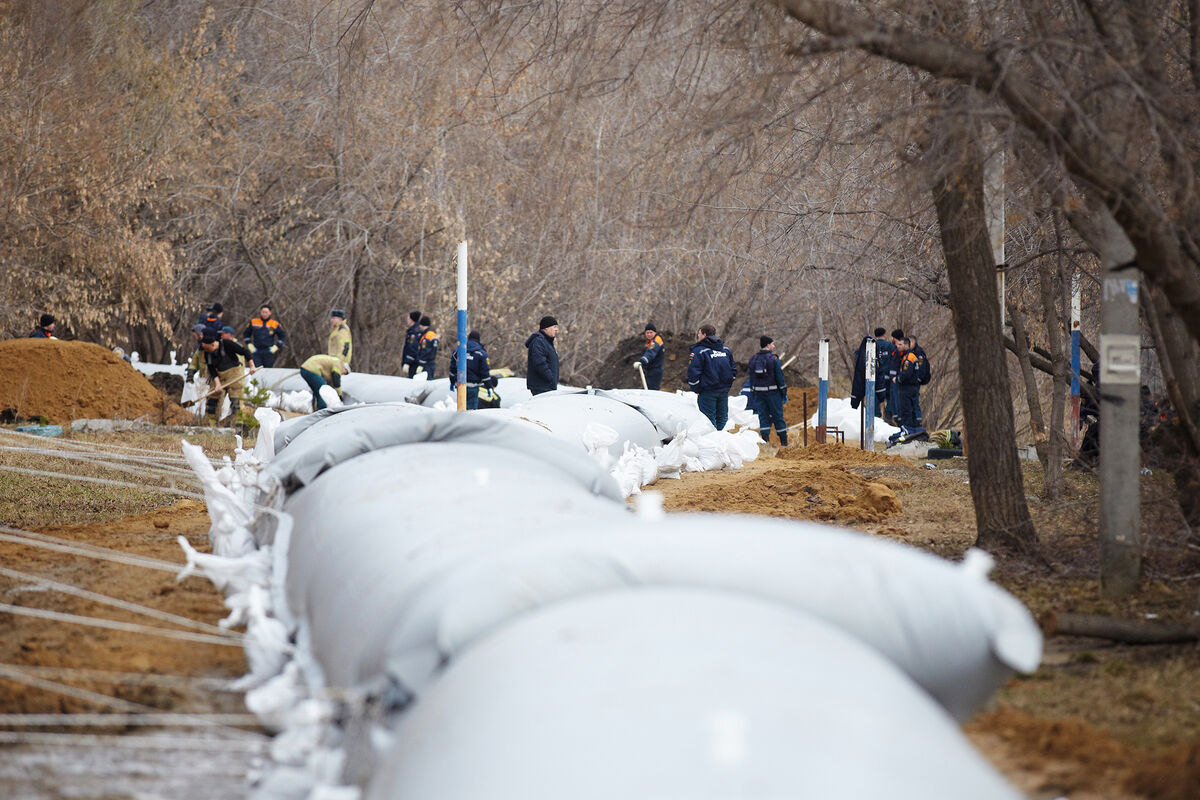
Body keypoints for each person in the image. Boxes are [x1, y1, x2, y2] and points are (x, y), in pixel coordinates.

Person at [687, 323, 736, 430]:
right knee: (722, 419)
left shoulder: (699, 351)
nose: (698, 336)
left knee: (708, 421)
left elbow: (693, 372)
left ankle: (713, 443)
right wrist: (727, 385)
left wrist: (697, 388)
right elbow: (733, 370)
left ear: (704, 334)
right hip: (723, 392)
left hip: (707, 392)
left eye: (699, 334)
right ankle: (721, 442)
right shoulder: (725, 350)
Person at [199, 330, 256, 420]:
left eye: (207, 348)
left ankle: (237, 423)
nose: (206, 351)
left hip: (234, 375)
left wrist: (252, 366)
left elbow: (245, 352)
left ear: (213, 345)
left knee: (236, 402)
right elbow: (212, 369)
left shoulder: (228, 344)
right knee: (212, 400)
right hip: (219, 376)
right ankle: (211, 423)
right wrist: (217, 384)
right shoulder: (207, 353)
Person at [747, 335, 788, 445]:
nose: (774, 346)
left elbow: (751, 378)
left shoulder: (753, 359)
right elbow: (780, 378)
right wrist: (784, 393)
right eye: (773, 344)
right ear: (768, 345)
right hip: (773, 394)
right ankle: (784, 443)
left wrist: (753, 392)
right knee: (778, 416)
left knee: (763, 416)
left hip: (759, 394)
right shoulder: (773, 359)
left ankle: (765, 442)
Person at [449, 330, 496, 410]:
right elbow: (484, 372)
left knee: (461, 409)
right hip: (473, 386)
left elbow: (453, 367)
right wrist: (489, 387)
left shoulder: (459, 350)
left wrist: (452, 381)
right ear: (478, 340)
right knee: (471, 411)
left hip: (460, 385)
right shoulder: (481, 353)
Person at [243, 304, 287, 368]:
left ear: (270, 313)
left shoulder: (274, 323)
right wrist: (249, 344)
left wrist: (277, 346)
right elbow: (246, 334)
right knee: (257, 370)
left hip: (269, 351)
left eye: (266, 312)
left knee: (268, 370)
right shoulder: (254, 322)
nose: (264, 314)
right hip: (256, 350)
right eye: (263, 312)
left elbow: (282, 336)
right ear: (260, 312)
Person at [525, 315, 560, 395]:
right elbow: (539, 363)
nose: (556, 329)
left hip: (547, 386)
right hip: (541, 386)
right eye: (554, 327)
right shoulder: (538, 342)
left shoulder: (547, 341)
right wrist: (550, 378)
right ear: (546, 328)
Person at [906, 335, 929, 427]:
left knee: (915, 401)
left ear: (913, 342)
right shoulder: (910, 352)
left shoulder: (918, 353)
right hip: (910, 382)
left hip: (916, 382)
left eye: (909, 343)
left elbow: (921, 368)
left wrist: (918, 379)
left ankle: (917, 421)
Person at [884, 328, 905, 425]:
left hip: (896, 380)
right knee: (892, 399)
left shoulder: (898, 350)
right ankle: (892, 417)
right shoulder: (894, 349)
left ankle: (893, 418)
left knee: (894, 399)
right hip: (893, 379)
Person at [636, 323, 665, 390]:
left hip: (655, 371)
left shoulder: (656, 341)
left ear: (655, 332)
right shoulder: (650, 342)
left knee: (652, 391)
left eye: (651, 332)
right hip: (650, 370)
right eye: (647, 333)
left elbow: (651, 352)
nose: (649, 334)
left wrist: (644, 360)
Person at [402, 311, 422, 376]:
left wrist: (407, 362)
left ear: (411, 320)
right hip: (414, 361)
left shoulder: (414, 331)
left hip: (413, 362)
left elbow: (412, 347)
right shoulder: (414, 330)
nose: (407, 320)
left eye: (408, 318)